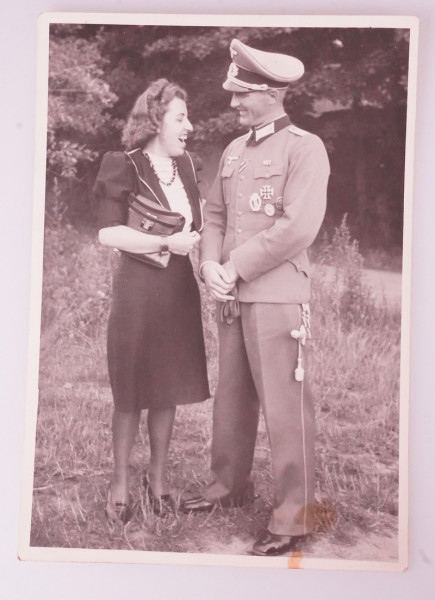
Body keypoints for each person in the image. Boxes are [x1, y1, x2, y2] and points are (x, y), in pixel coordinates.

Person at [182, 40, 330, 556]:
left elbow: (298, 228)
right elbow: (215, 216)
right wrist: (209, 265)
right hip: (231, 292)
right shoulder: (233, 150)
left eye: (242, 94)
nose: (233, 104)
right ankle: (228, 487)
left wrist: (233, 266)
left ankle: (297, 514)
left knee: (286, 408)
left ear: (270, 94)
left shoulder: (305, 148)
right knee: (233, 398)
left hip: (276, 296)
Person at [93, 79, 210, 523]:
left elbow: (197, 230)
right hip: (139, 290)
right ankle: (120, 482)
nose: (189, 126)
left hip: (179, 290)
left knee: (169, 387)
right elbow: (108, 233)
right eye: (181, 118)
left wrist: (205, 262)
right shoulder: (122, 164)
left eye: (187, 117)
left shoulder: (187, 168)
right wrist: (166, 243)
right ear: (156, 120)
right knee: (131, 390)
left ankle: (158, 479)